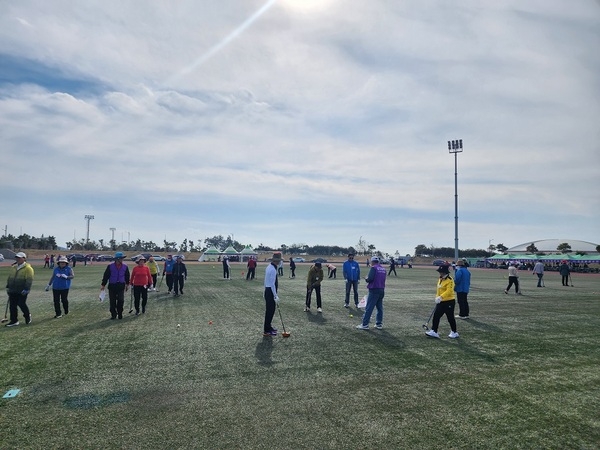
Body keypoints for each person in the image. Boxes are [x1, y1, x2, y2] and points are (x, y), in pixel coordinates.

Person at [425, 264, 459, 338]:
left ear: (445, 272)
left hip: (449, 301)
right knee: (436, 316)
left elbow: (449, 291)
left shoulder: (450, 280)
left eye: (441, 272)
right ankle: (434, 331)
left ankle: (454, 332)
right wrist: (437, 297)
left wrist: (441, 297)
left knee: (450, 317)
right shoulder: (440, 279)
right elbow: (439, 290)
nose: (440, 273)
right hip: (441, 301)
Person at [356, 256, 387, 330]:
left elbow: (370, 279)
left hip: (374, 290)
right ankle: (379, 324)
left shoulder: (373, 268)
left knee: (369, 308)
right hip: (381, 289)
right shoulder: (383, 269)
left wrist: (366, 279)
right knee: (379, 308)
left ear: (372, 262)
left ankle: (365, 324)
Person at [5, 252, 34, 327]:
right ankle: (14, 320)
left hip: (22, 289)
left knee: (21, 303)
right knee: (12, 305)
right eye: (17, 258)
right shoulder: (14, 267)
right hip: (13, 289)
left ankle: (27, 315)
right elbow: (10, 278)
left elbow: (29, 280)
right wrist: (8, 286)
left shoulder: (28, 268)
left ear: (24, 258)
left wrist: (27, 289)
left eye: (19, 258)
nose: (18, 259)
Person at [100, 251, 130, 320]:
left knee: (121, 300)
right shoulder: (110, 266)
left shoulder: (125, 266)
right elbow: (106, 276)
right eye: (121, 258)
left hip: (121, 285)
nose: (122, 259)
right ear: (117, 259)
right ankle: (113, 314)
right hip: (112, 286)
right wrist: (103, 284)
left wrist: (127, 284)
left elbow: (127, 276)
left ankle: (120, 313)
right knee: (112, 301)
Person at [263, 252, 281, 336]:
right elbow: (272, 283)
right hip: (270, 291)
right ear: (276, 261)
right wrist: (275, 295)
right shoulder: (273, 269)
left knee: (270, 310)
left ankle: (269, 327)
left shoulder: (269, 267)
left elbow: (266, 281)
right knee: (270, 311)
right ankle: (266, 330)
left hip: (267, 290)